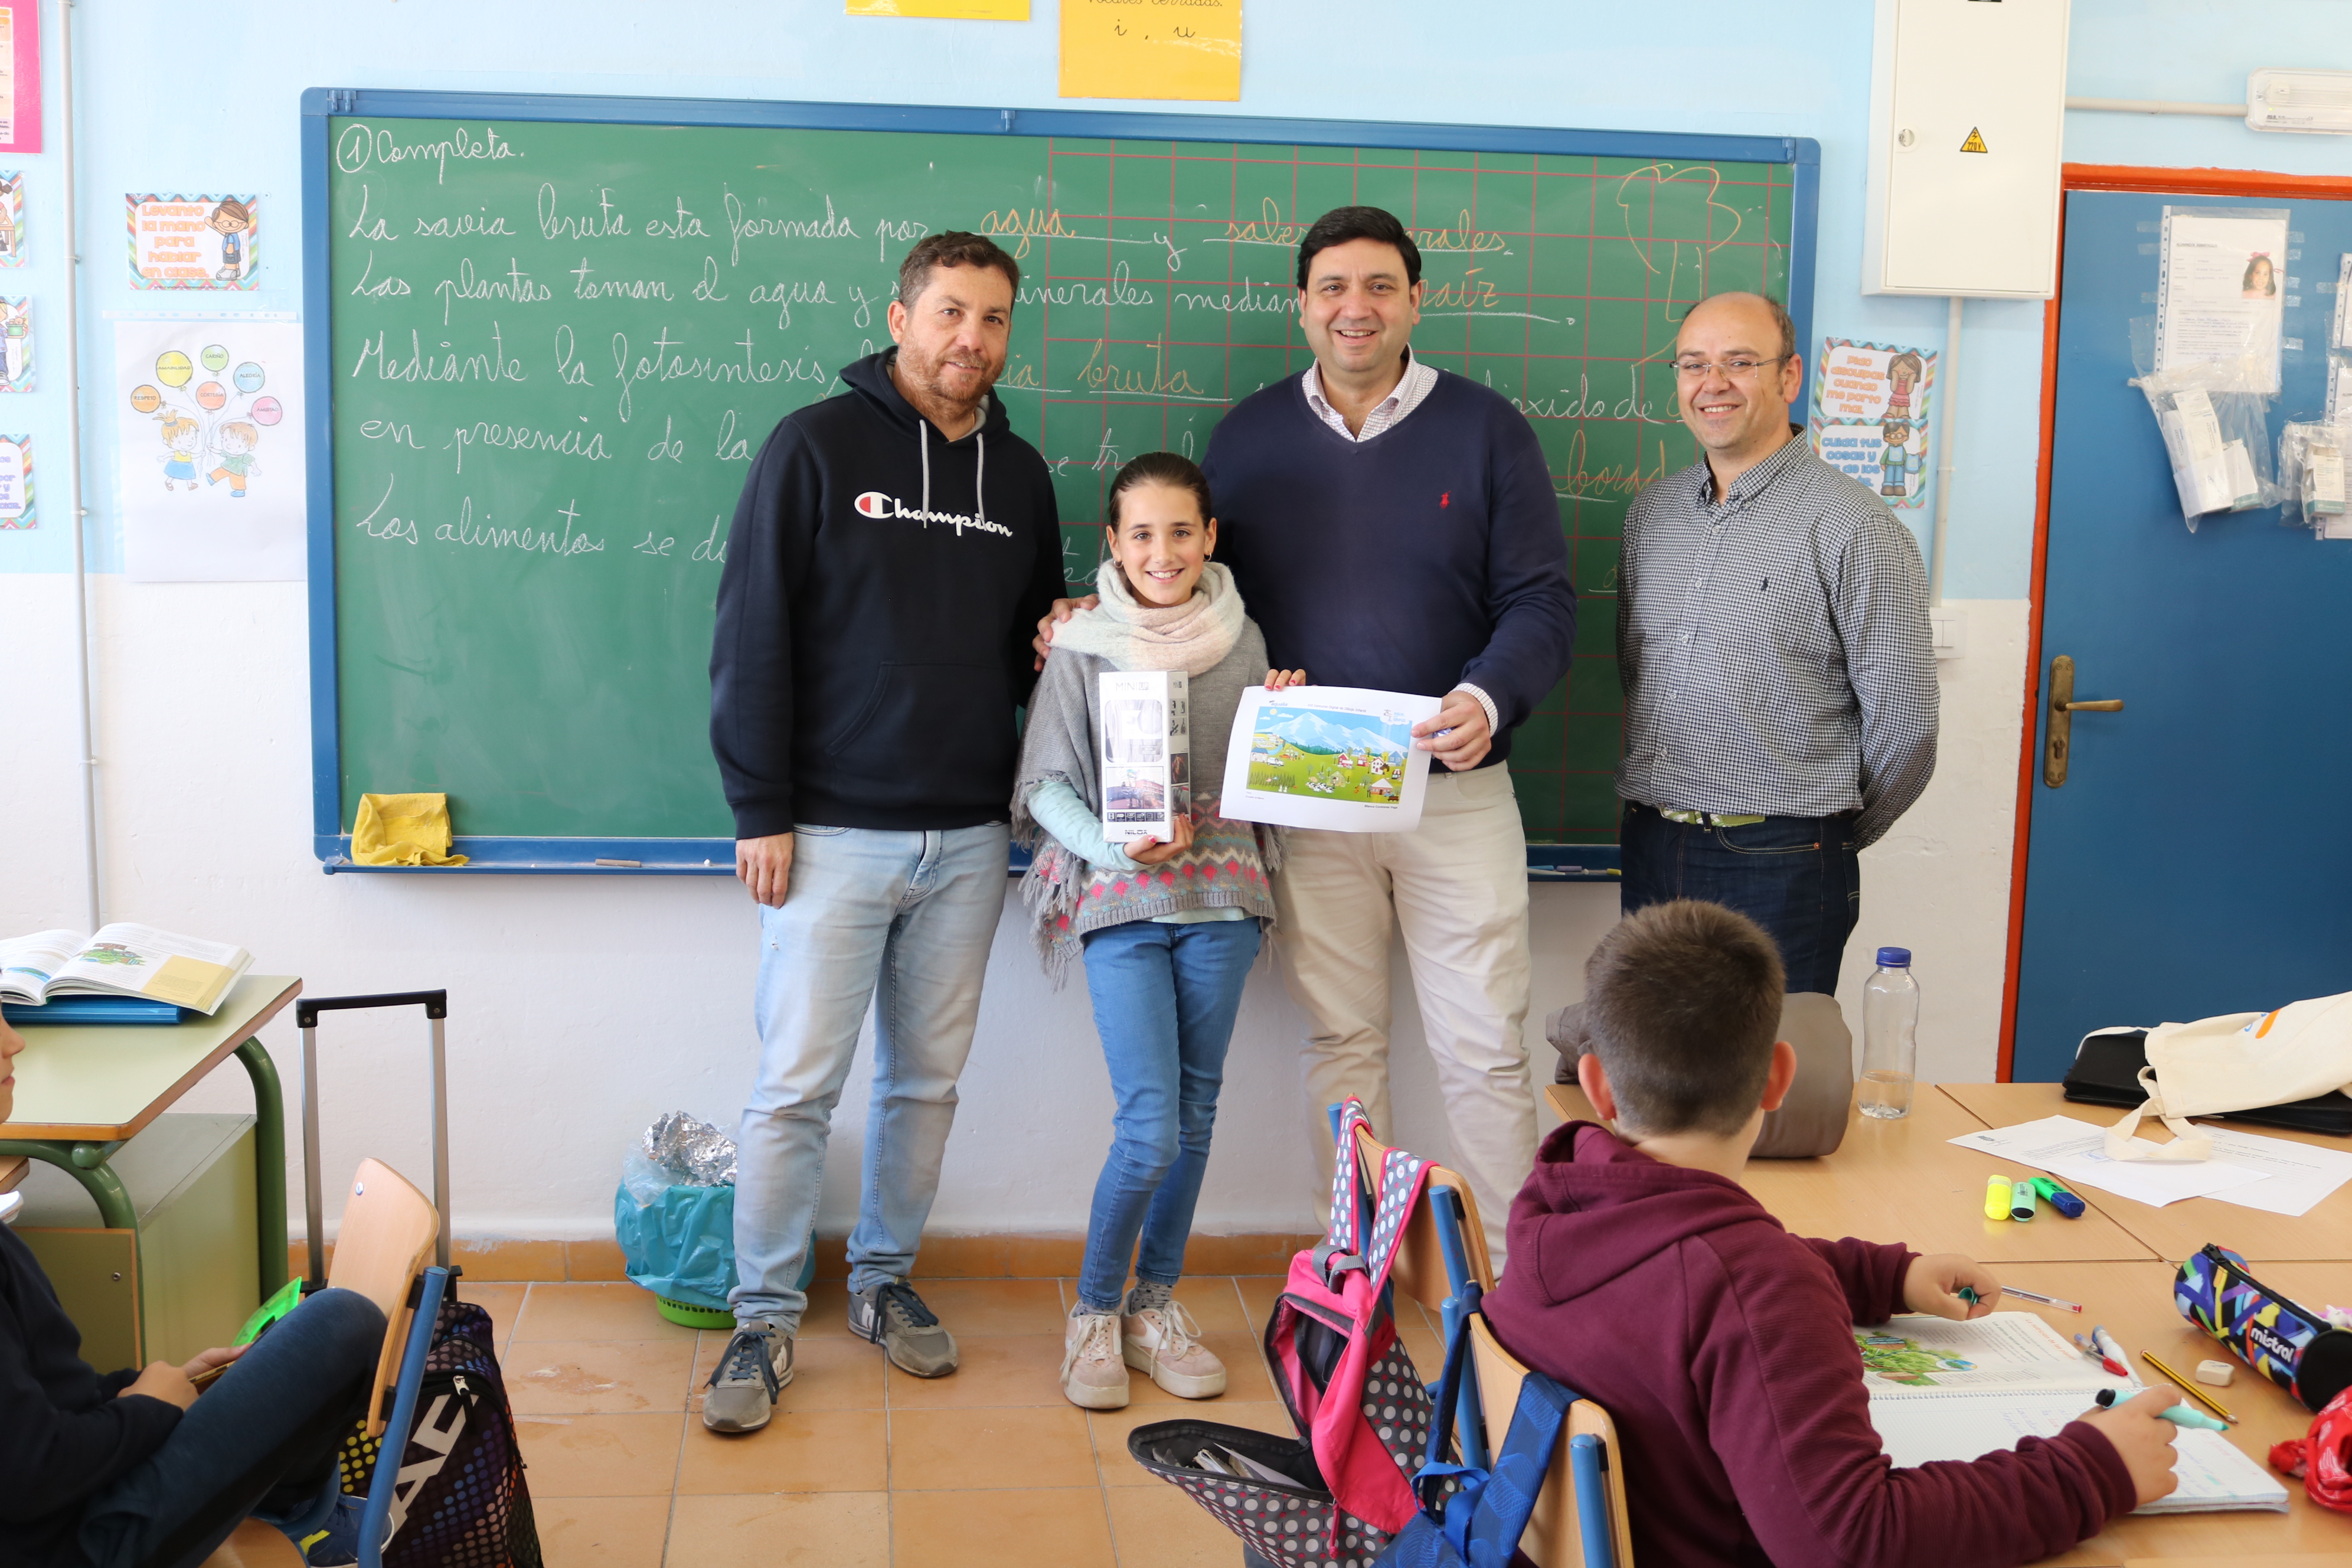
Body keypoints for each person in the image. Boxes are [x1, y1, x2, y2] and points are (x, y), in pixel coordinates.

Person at [1048, 205, 1575, 1256]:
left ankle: (1518, 1286)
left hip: (1453, 785)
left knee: (1484, 1048)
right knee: (1342, 1045)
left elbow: (1541, 600)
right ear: (1301, 305)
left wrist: (1487, 698)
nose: (1354, 308)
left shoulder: (1487, 430)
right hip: (1307, 787)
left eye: (1379, 286)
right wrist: (1089, 618)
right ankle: (1358, 1273)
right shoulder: (1247, 439)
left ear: (1415, 301)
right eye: (1332, 287)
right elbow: (1189, 595)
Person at [1482, 899, 2185, 1566]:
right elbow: (1850, 1544)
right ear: (1779, 1077)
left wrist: (1887, 1277)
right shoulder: (1754, 1284)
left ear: (1597, 1086)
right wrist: (2090, 1471)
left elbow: (1688, 1273)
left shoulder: (1556, 1203)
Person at [704, 231, 1066, 1434]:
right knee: (795, 1087)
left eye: (994, 318)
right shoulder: (814, 445)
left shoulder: (1021, 475)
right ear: (901, 318)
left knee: (926, 1083)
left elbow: (1035, 654)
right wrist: (759, 806)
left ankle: (880, 1280)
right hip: (828, 831)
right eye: (950, 312)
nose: (973, 338)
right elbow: (750, 631)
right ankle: (762, 1315)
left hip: (967, 835)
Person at [1012, 452, 1300, 1410]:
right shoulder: (1082, 643)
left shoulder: (1244, 640)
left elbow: (1263, 779)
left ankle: (1153, 1306)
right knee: (1149, 1127)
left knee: (1194, 1117)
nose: (1162, 551)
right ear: (1112, 542)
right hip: (1122, 903)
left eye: (1181, 531)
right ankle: (1094, 1310)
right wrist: (1113, 847)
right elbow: (1043, 784)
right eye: (1141, 533)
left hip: (1222, 901)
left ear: (1209, 537)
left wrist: (1287, 724)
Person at [1616, 291, 1936, 994]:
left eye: (1740, 362)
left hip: (1781, 860)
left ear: (1789, 377)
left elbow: (1907, 725)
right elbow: (1636, 674)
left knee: (1779, 1061)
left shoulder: (1855, 525)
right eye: (1694, 364)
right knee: (1653, 1059)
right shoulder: (1653, 515)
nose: (1713, 383)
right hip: (1652, 845)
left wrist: (1822, 833)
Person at [0, 1018, 389, 1568]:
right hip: (74, 1543)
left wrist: (151, 1388)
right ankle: (290, 1517)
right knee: (340, 1321)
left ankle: (283, 1511)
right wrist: (148, 1410)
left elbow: (33, 1406)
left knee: (315, 1331)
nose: (14, 1042)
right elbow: (29, 1475)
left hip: (70, 1498)